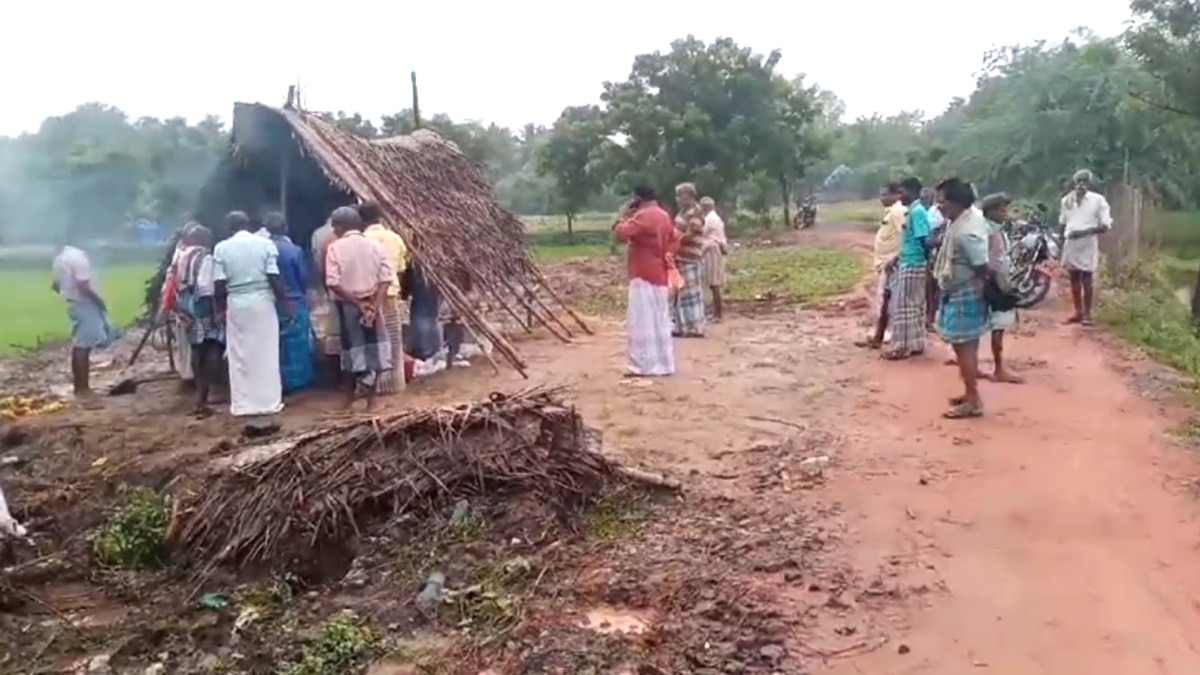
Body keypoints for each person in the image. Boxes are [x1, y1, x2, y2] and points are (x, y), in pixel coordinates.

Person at [213, 211, 291, 427]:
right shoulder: (264, 244)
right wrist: (285, 303)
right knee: (266, 353)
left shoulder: (221, 248)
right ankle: (269, 403)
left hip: (236, 304)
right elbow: (274, 277)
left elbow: (219, 284)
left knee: (240, 356)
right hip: (262, 303)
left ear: (229, 228)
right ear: (248, 224)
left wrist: (220, 309)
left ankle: (244, 405)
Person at [932, 178, 991, 419]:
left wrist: (977, 282)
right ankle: (970, 393)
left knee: (964, 346)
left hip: (964, 291)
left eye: (942, 202)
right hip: (960, 288)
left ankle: (973, 400)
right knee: (966, 345)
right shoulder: (965, 219)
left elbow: (980, 264)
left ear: (956, 202)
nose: (938, 207)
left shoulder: (966, 231)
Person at [325, 206, 394, 410]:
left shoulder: (335, 248)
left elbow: (333, 282)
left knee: (351, 350)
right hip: (373, 303)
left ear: (342, 226)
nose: (333, 231)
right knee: (376, 350)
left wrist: (358, 304)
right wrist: (373, 306)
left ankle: (348, 399)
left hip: (349, 305)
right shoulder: (374, 246)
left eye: (334, 226)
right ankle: (372, 402)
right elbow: (386, 278)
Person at [613, 185, 676, 376]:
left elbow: (622, 233)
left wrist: (620, 218)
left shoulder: (644, 215)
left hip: (643, 273)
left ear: (638, 198)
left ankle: (641, 364)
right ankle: (663, 363)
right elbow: (674, 239)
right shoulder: (664, 215)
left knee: (642, 320)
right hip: (659, 272)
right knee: (659, 319)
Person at [52, 242, 116, 402]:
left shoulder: (60, 258)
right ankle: (82, 389)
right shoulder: (78, 258)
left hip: (74, 303)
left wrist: (68, 293)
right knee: (83, 345)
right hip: (84, 303)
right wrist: (99, 301)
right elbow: (83, 284)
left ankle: (81, 387)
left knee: (82, 343)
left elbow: (55, 285)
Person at [173, 224, 225, 414]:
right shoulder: (206, 257)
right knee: (214, 344)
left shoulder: (181, 255)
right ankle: (208, 392)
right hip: (203, 304)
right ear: (204, 239)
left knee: (196, 346)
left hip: (185, 304)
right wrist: (216, 309)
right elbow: (205, 286)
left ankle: (199, 393)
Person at [359, 201, 408, 394]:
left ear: (361, 219)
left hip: (368, 298)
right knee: (394, 342)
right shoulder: (395, 239)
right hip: (390, 295)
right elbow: (401, 269)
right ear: (381, 217)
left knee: (373, 343)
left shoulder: (362, 240)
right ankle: (395, 384)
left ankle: (374, 386)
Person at [264, 212, 314, 394]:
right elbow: (303, 277)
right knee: (296, 343)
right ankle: (296, 383)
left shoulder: (262, 249)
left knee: (274, 343)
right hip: (294, 301)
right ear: (285, 227)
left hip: (269, 302)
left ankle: (275, 381)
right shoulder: (294, 250)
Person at [883, 178, 931, 360]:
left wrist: (925, 261)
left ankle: (902, 346)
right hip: (910, 260)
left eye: (902, 192)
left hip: (913, 262)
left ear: (913, 192)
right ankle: (915, 343)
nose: (899, 196)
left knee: (904, 306)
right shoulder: (914, 211)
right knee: (914, 305)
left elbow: (923, 239)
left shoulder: (917, 212)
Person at [979, 193, 1024, 384]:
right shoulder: (990, 231)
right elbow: (993, 260)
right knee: (998, 326)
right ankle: (999, 369)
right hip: (994, 281)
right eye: (1001, 209)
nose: (1005, 213)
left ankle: (982, 365)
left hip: (992, 279)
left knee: (988, 325)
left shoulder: (994, 229)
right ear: (990, 211)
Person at [1059, 169, 1113, 325]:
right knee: (1073, 278)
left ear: (1088, 184)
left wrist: (1083, 232)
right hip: (1071, 243)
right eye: (1078, 181)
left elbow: (1105, 226)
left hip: (1088, 242)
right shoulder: (1067, 201)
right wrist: (1061, 244)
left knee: (1087, 278)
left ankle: (1088, 314)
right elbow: (1062, 223)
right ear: (1074, 183)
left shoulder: (1097, 201)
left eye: (1084, 181)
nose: (1081, 185)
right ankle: (1078, 312)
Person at [857, 183, 906, 348]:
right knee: (884, 300)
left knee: (889, 301)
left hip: (892, 263)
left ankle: (888, 335)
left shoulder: (898, 212)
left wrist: (897, 258)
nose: (881, 198)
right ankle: (880, 334)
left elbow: (906, 236)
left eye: (885, 194)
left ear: (896, 195)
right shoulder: (891, 212)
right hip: (886, 264)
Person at [166, 223, 200, 387]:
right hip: (190, 298)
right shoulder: (192, 254)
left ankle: (187, 373)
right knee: (195, 338)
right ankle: (192, 374)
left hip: (181, 298)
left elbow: (171, 279)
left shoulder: (179, 253)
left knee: (184, 339)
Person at [671, 182, 707, 337]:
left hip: (690, 257)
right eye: (677, 195)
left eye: (681, 195)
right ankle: (682, 325)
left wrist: (676, 240)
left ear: (690, 196)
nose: (677, 199)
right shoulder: (683, 212)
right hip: (680, 256)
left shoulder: (695, 212)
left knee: (691, 293)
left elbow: (692, 232)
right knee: (680, 292)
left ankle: (694, 327)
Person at [311, 218, 341, 379]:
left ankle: (334, 373)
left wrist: (326, 287)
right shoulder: (362, 241)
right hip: (352, 294)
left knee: (334, 331)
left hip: (334, 289)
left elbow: (320, 265)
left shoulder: (320, 236)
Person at [699, 196, 727, 322]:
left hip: (712, 250)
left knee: (714, 283)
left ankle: (718, 314)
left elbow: (703, 234)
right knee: (713, 283)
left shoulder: (710, 219)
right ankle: (716, 313)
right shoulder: (714, 218)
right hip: (713, 249)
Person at [922, 187, 944, 329]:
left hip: (941, 251)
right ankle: (930, 317)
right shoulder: (933, 211)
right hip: (934, 252)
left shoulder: (945, 211)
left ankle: (934, 317)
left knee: (938, 287)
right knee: (930, 286)